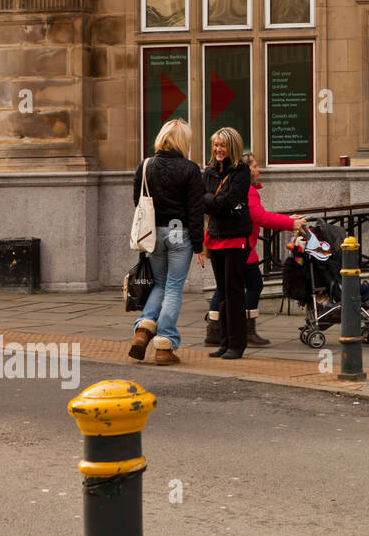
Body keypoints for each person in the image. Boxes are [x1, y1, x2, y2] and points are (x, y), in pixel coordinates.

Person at [205, 151, 304, 347]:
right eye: (255, 166)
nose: (258, 170)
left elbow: (260, 214)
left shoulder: (239, 186)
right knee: (253, 285)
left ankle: (215, 329)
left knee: (224, 287)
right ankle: (245, 329)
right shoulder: (247, 190)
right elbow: (260, 217)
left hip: (234, 244)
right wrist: (289, 224)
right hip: (242, 247)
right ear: (246, 168)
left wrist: (287, 219)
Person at [129, 118, 204, 366]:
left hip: (154, 234)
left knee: (159, 284)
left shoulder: (146, 165)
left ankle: (143, 330)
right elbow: (195, 210)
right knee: (172, 287)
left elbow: (137, 201)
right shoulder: (190, 169)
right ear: (183, 141)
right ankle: (165, 342)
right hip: (178, 232)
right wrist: (199, 245)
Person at [204, 127, 253, 360]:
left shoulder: (241, 171)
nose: (218, 149)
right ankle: (224, 342)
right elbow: (203, 200)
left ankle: (237, 344)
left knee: (234, 292)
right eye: (215, 145)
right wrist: (216, 203)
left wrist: (214, 202)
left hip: (236, 237)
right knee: (222, 292)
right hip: (216, 236)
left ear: (232, 146)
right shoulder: (210, 171)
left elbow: (231, 200)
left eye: (222, 145)